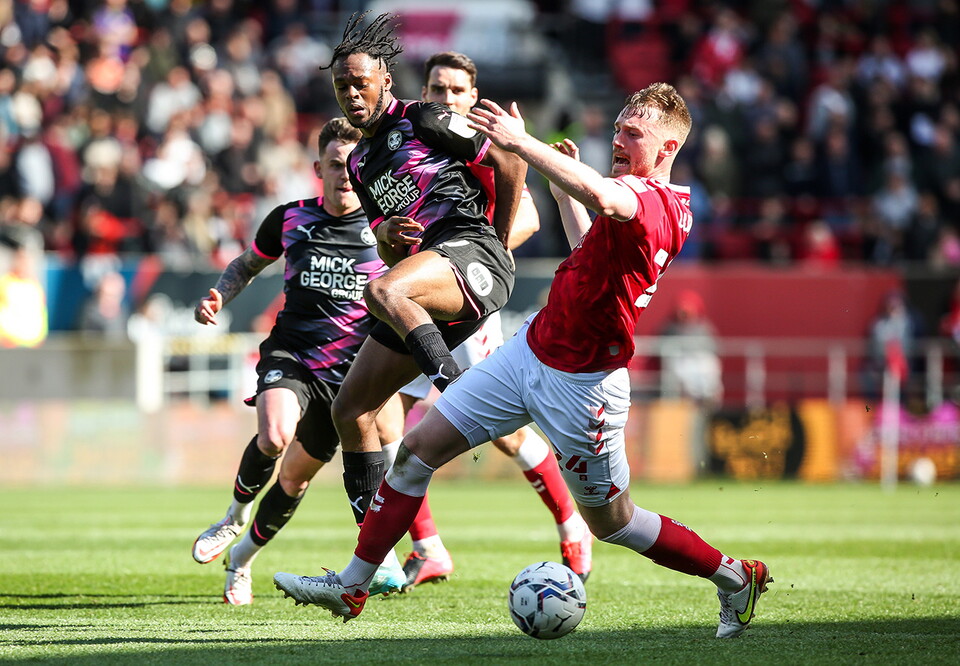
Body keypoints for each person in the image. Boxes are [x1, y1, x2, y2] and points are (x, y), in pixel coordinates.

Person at [274, 83, 773, 639]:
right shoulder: (632, 197)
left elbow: (608, 199)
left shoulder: (659, 200)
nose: (618, 139)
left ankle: (735, 576)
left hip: (583, 388)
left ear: (669, 146)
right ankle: (353, 583)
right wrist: (562, 197)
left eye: (634, 133)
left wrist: (521, 142)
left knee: (614, 523)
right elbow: (591, 242)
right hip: (527, 354)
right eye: (617, 128)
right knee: (416, 454)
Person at [378, 51, 592, 590]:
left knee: (509, 437)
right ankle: (426, 548)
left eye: (456, 91)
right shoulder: (417, 149)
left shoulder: (480, 148)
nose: (445, 98)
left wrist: (477, 252)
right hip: (419, 302)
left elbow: (529, 216)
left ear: (473, 98)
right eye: (436, 88)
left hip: (466, 303)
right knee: (383, 418)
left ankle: (573, 524)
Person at [317, 13, 527, 558]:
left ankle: (455, 389)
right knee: (351, 411)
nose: (350, 93)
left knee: (382, 293)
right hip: (422, 287)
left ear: (385, 77)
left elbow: (509, 161)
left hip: (471, 255)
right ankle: (370, 558)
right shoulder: (361, 162)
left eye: (359, 81)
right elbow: (391, 253)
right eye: (341, 85)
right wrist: (384, 234)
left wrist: (499, 243)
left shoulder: (425, 118)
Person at [190, 118, 406, 605]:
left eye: (353, 164)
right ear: (318, 168)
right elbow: (247, 264)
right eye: (335, 164)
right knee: (274, 436)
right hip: (291, 355)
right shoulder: (290, 218)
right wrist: (219, 298)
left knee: (294, 479)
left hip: (349, 378)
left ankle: (241, 558)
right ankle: (233, 515)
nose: (345, 173)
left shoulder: (386, 229)